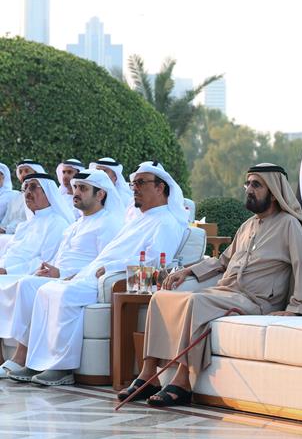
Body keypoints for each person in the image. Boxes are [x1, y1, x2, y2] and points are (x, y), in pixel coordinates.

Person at [124, 163, 302, 408]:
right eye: (248, 184)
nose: (249, 190)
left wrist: (296, 307)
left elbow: (301, 265)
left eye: (256, 185)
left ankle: (182, 382)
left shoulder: (289, 224)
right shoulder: (248, 226)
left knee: (196, 300)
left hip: (257, 300)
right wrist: (188, 270)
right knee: (161, 297)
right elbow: (223, 261)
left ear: (274, 191)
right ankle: (148, 373)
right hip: (228, 292)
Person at [9, 162, 186, 387]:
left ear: (161, 188)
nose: (134, 188)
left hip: (116, 279)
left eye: (141, 183)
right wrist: (78, 273)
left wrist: (111, 269)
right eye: (134, 183)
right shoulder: (140, 219)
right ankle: (38, 361)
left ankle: (61, 367)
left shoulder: (167, 222)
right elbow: (105, 255)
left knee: (65, 294)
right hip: (95, 275)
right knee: (46, 289)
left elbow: (155, 264)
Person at [0, 169, 122, 379]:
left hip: (85, 280)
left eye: (82, 188)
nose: (75, 192)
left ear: (100, 194)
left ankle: (59, 367)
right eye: (75, 187)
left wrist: (63, 273)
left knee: (42, 288)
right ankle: (29, 359)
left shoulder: (108, 222)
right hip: (62, 276)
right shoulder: (76, 224)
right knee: (31, 284)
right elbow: (59, 258)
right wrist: (51, 271)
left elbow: (103, 261)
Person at [0, 173, 74, 278]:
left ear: (48, 193)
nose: (27, 193)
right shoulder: (24, 225)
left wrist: (7, 271)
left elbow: (44, 261)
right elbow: (9, 253)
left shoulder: (57, 223)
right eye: (25, 188)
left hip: (22, 277)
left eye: (33, 187)